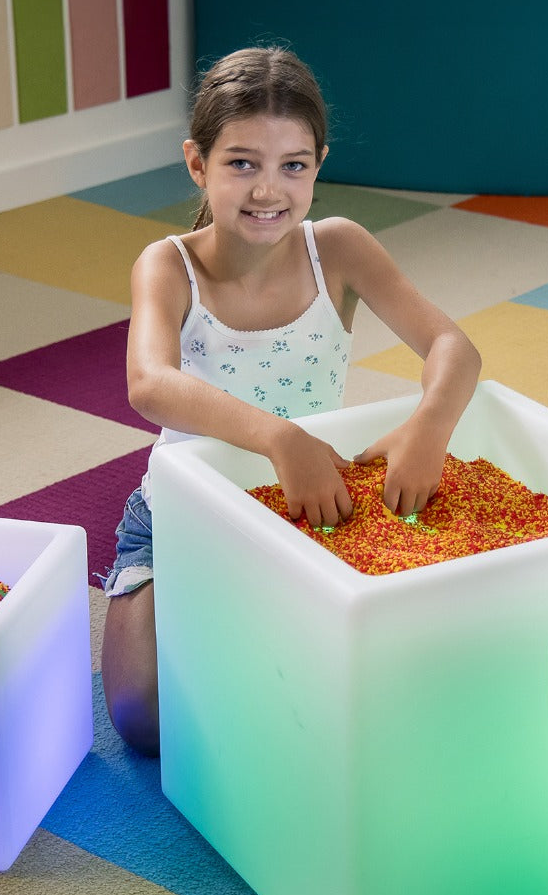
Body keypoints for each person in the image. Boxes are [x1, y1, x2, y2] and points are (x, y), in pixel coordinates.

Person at [100, 46, 481, 756]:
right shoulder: (167, 264)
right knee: (142, 715)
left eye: (293, 165)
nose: (268, 189)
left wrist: (429, 423)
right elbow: (148, 382)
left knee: (394, 691)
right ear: (197, 164)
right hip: (184, 508)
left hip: (311, 508)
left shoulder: (337, 248)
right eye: (241, 162)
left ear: (319, 164)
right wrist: (281, 438)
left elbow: (454, 348)